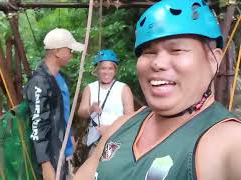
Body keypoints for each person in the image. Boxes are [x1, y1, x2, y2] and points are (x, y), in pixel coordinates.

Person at [74, 0, 241, 179]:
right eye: (149, 52)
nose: (157, 63)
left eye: (176, 50)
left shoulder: (230, 141)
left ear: (213, 60)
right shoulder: (121, 128)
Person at [25, 28, 84, 180]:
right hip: (52, 155)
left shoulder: (61, 78)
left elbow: (63, 112)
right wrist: (45, 164)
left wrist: (70, 134)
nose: (72, 54)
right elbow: (38, 125)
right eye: (69, 50)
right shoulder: (39, 82)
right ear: (58, 52)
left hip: (64, 150)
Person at [78, 49, 134, 147]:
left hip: (118, 140)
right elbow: (81, 113)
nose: (106, 72)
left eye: (110, 68)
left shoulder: (123, 88)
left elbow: (130, 118)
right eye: (103, 68)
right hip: (95, 140)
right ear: (97, 70)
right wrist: (91, 109)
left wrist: (110, 129)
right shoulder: (90, 88)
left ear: (115, 70)